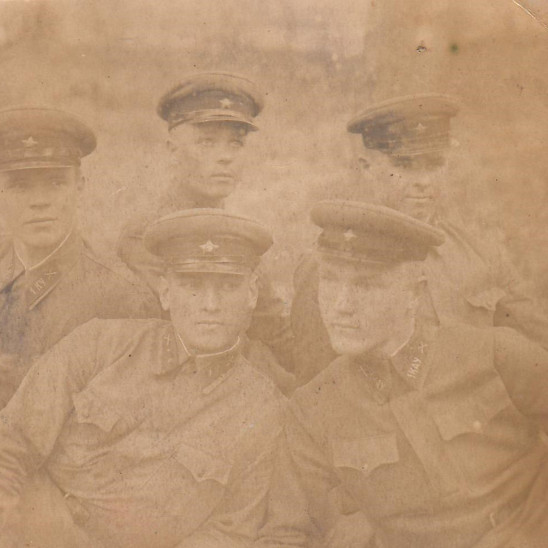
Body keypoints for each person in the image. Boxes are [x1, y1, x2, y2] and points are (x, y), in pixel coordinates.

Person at [258, 200, 548, 548]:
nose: (341, 306)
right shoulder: (313, 408)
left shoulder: (495, 354)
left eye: (366, 285)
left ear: (414, 292)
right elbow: (285, 533)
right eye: (330, 281)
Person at [0, 209, 285, 548]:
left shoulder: (263, 411)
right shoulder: (99, 344)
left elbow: (230, 531)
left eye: (228, 286)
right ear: (165, 291)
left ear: (252, 293)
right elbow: (10, 444)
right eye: (192, 285)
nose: (210, 304)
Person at [291, 94, 548, 385]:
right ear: (366, 167)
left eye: (433, 164)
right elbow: (317, 388)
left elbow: (538, 340)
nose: (423, 181)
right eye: (405, 165)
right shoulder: (328, 264)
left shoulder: (479, 251)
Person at [117, 72, 294, 379]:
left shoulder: (238, 234)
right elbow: (177, 340)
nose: (225, 157)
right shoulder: (147, 236)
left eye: (236, 143)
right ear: (173, 150)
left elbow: (273, 330)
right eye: (207, 142)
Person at [0, 106, 159, 407]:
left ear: (80, 186)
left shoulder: (121, 298)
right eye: (20, 186)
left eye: (55, 183)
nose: (39, 202)